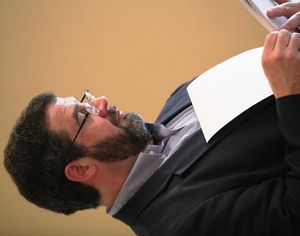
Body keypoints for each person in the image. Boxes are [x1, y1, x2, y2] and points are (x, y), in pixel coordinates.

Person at [3, 0, 300, 235]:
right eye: (84, 115)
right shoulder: (181, 225)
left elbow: (280, 72)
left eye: (87, 101)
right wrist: (292, 98)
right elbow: (293, 211)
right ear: (80, 169)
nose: (101, 103)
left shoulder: (178, 100)